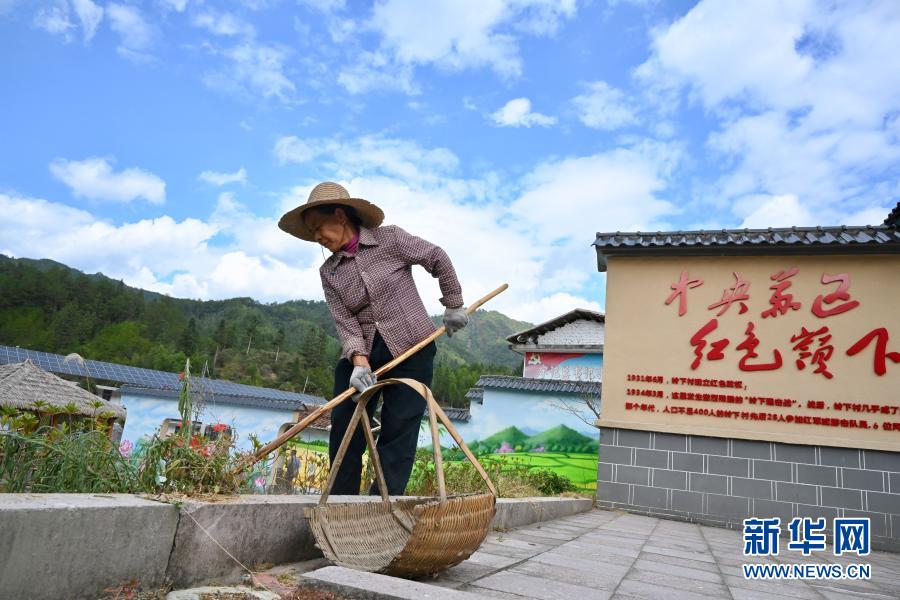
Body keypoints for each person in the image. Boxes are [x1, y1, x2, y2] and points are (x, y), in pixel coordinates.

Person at [278, 181, 468, 495]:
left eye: (318, 227)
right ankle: (341, 507)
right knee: (345, 428)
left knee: (399, 430)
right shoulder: (330, 273)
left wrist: (454, 302)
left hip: (411, 347)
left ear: (339, 215)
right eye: (311, 233)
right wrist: (359, 362)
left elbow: (436, 257)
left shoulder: (389, 239)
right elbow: (345, 320)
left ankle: (381, 509)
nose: (317, 238)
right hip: (361, 357)